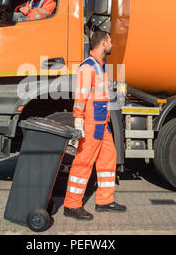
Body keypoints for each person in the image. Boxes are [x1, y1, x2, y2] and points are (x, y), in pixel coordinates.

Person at [63, 30, 126, 221]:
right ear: (103, 43)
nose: (113, 44)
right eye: (111, 41)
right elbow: (81, 95)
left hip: (102, 124)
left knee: (108, 158)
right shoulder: (88, 67)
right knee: (83, 162)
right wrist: (78, 120)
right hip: (91, 124)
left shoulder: (100, 66)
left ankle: (104, 201)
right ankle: (71, 205)